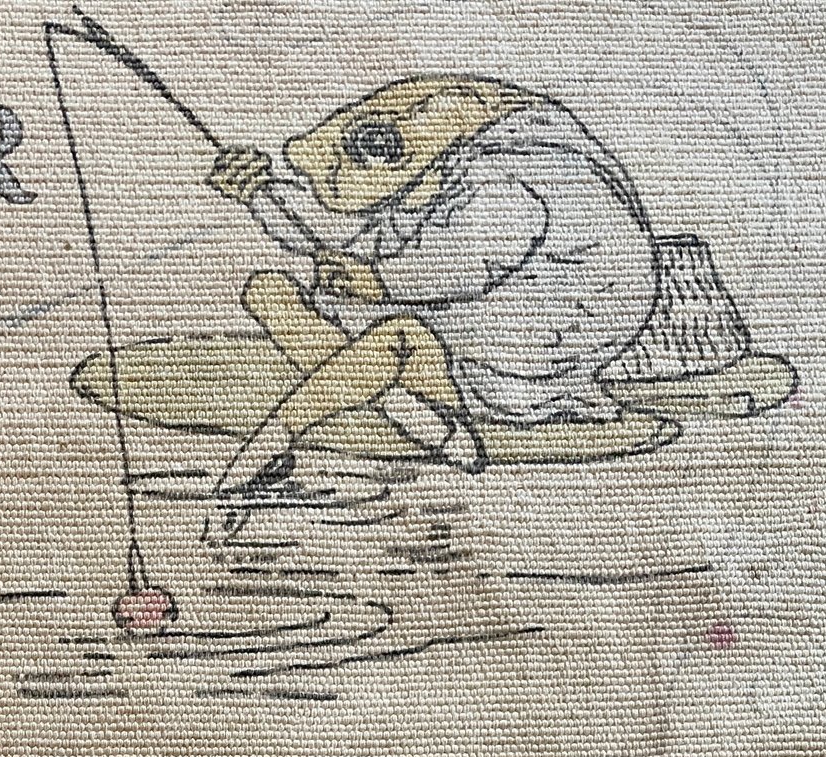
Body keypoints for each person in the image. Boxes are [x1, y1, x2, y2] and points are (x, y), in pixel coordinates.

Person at [207, 76, 664, 491]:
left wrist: (378, 281)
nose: (323, 183)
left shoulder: (504, 174)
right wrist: (260, 191)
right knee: (268, 292)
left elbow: (478, 251)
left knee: (398, 339)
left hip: (526, 349)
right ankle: (411, 412)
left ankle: (266, 447)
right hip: (460, 339)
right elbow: (337, 233)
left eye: (333, 175)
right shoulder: (430, 175)